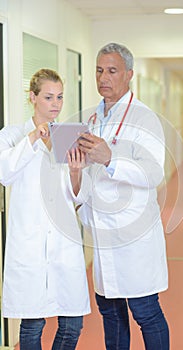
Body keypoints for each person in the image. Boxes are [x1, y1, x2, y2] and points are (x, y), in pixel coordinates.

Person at [75, 43, 169, 350]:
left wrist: (110, 158)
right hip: (102, 234)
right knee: (110, 314)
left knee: (145, 312)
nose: (104, 77)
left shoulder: (144, 119)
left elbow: (154, 173)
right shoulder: (90, 119)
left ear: (128, 74)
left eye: (112, 70)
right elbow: (87, 176)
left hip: (133, 236)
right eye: (99, 70)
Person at [0, 68, 90, 349]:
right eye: (49, 97)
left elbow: (77, 196)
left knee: (73, 323)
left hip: (64, 241)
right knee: (32, 323)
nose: (56, 103)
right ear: (33, 97)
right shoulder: (13, 135)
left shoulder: (69, 136)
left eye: (60, 97)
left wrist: (76, 171)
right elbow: (4, 173)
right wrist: (32, 139)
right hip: (29, 241)